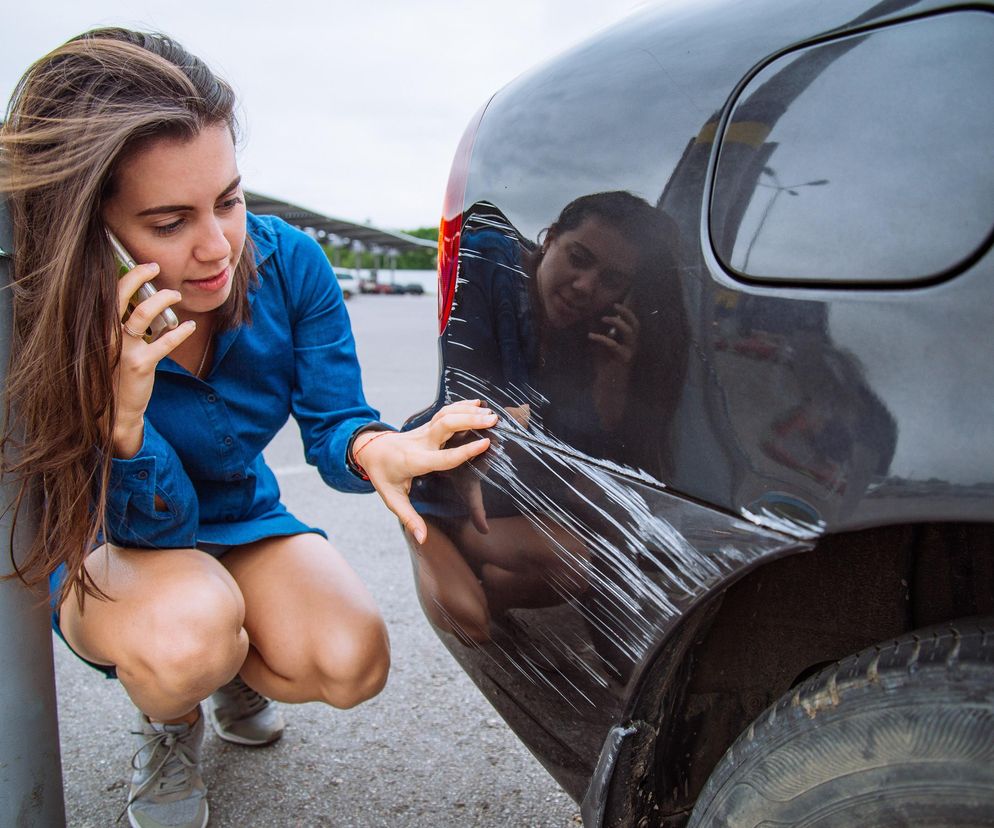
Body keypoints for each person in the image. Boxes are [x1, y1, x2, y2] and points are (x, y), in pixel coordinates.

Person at [0, 28, 496, 828]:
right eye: (169, 222)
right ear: (92, 230)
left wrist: (376, 448)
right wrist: (123, 420)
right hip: (113, 540)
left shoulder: (289, 262)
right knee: (190, 633)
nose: (217, 248)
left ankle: (223, 661)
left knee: (353, 660)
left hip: (239, 517)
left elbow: (335, 421)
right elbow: (144, 523)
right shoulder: (46, 313)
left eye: (228, 200)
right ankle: (171, 714)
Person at [411, 194, 686, 643]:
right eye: (579, 258)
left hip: (509, 493)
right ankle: (423, 521)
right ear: (550, 237)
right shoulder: (488, 268)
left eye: (611, 280)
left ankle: (483, 562)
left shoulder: (587, 334)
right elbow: (469, 396)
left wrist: (612, 382)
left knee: (582, 557)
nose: (585, 286)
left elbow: (592, 458)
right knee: (469, 621)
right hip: (449, 484)